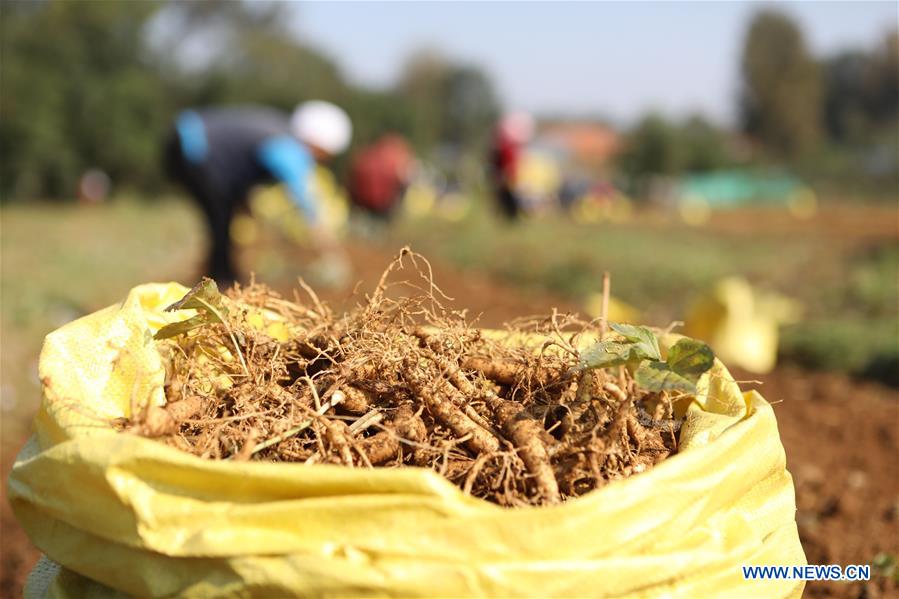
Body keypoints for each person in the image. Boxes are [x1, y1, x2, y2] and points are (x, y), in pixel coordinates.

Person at [164, 101, 352, 285]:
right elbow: (301, 192)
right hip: (194, 149)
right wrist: (324, 239)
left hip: (185, 141)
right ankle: (221, 278)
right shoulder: (287, 145)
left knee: (224, 213)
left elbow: (242, 172)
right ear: (317, 143)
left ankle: (222, 274)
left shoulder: (278, 129)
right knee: (221, 216)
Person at [347, 134, 414, 221]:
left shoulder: (367, 155)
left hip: (359, 206)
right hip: (380, 207)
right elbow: (405, 179)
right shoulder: (396, 158)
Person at [489, 111, 534, 220]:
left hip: (508, 176)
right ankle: (508, 216)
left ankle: (509, 216)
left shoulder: (506, 147)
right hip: (506, 176)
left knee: (508, 196)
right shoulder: (504, 147)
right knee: (506, 196)